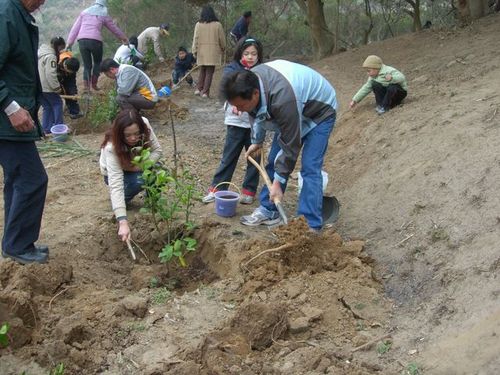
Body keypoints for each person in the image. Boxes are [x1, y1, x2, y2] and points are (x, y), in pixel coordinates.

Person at [222, 60, 338, 231]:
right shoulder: (249, 82)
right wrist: (257, 141)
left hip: (319, 112)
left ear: (255, 94)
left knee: (310, 167)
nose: (239, 110)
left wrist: (279, 180)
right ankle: (269, 209)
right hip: (293, 108)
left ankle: (309, 224)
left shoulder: (282, 98)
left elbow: (291, 145)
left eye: (240, 105)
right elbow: (256, 114)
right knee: (273, 159)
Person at [0, 0, 49, 264]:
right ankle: (17, 245)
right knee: (32, 179)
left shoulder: (17, 15)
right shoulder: (5, 13)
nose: (43, 2)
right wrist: (10, 107)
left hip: (10, 121)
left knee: (18, 180)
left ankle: (15, 243)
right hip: (5, 121)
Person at [202, 37, 263, 205]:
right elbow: (224, 93)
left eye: (254, 54)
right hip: (236, 122)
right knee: (229, 156)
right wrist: (232, 104)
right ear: (240, 53)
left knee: (254, 157)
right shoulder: (231, 70)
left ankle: (248, 191)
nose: (250, 57)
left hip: (255, 124)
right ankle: (217, 189)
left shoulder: (262, 71)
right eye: (246, 53)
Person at [100, 109, 162, 242]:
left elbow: (157, 151)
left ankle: (152, 201)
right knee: (139, 180)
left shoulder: (144, 124)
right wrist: (122, 221)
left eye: (136, 134)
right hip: (115, 173)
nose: (133, 138)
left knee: (160, 172)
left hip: (138, 164)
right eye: (127, 135)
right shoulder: (111, 147)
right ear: (120, 134)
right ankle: (122, 201)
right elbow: (115, 183)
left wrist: (139, 167)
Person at [66, 0, 128, 91]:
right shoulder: (104, 14)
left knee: (87, 65)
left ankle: (86, 88)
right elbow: (114, 28)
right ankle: (94, 85)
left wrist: (69, 42)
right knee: (97, 63)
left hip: (82, 41)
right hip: (96, 41)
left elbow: (75, 28)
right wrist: (124, 38)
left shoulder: (84, 12)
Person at [192, 5, 225, 98]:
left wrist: (194, 50)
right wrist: (223, 47)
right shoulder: (218, 24)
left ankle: (199, 89)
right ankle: (205, 92)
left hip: (201, 51)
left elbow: (195, 38)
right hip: (213, 52)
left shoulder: (198, 24)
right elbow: (221, 38)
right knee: (209, 71)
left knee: (202, 70)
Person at [38, 37, 65, 134]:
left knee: (47, 107)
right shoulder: (51, 56)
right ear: (58, 46)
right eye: (61, 48)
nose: (61, 51)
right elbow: (50, 74)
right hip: (47, 87)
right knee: (57, 103)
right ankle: (59, 128)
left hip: (39, 87)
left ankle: (46, 128)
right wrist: (56, 87)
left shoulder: (41, 53)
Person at [58, 50, 83, 119]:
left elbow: (72, 82)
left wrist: (74, 93)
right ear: (65, 66)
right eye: (70, 72)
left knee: (71, 92)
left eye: (73, 72)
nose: (72, 73)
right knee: (59, 95)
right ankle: (60, 114)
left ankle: (74, 112)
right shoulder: (56, 63)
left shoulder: (72, 65)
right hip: (56, 79)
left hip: (64, 76)